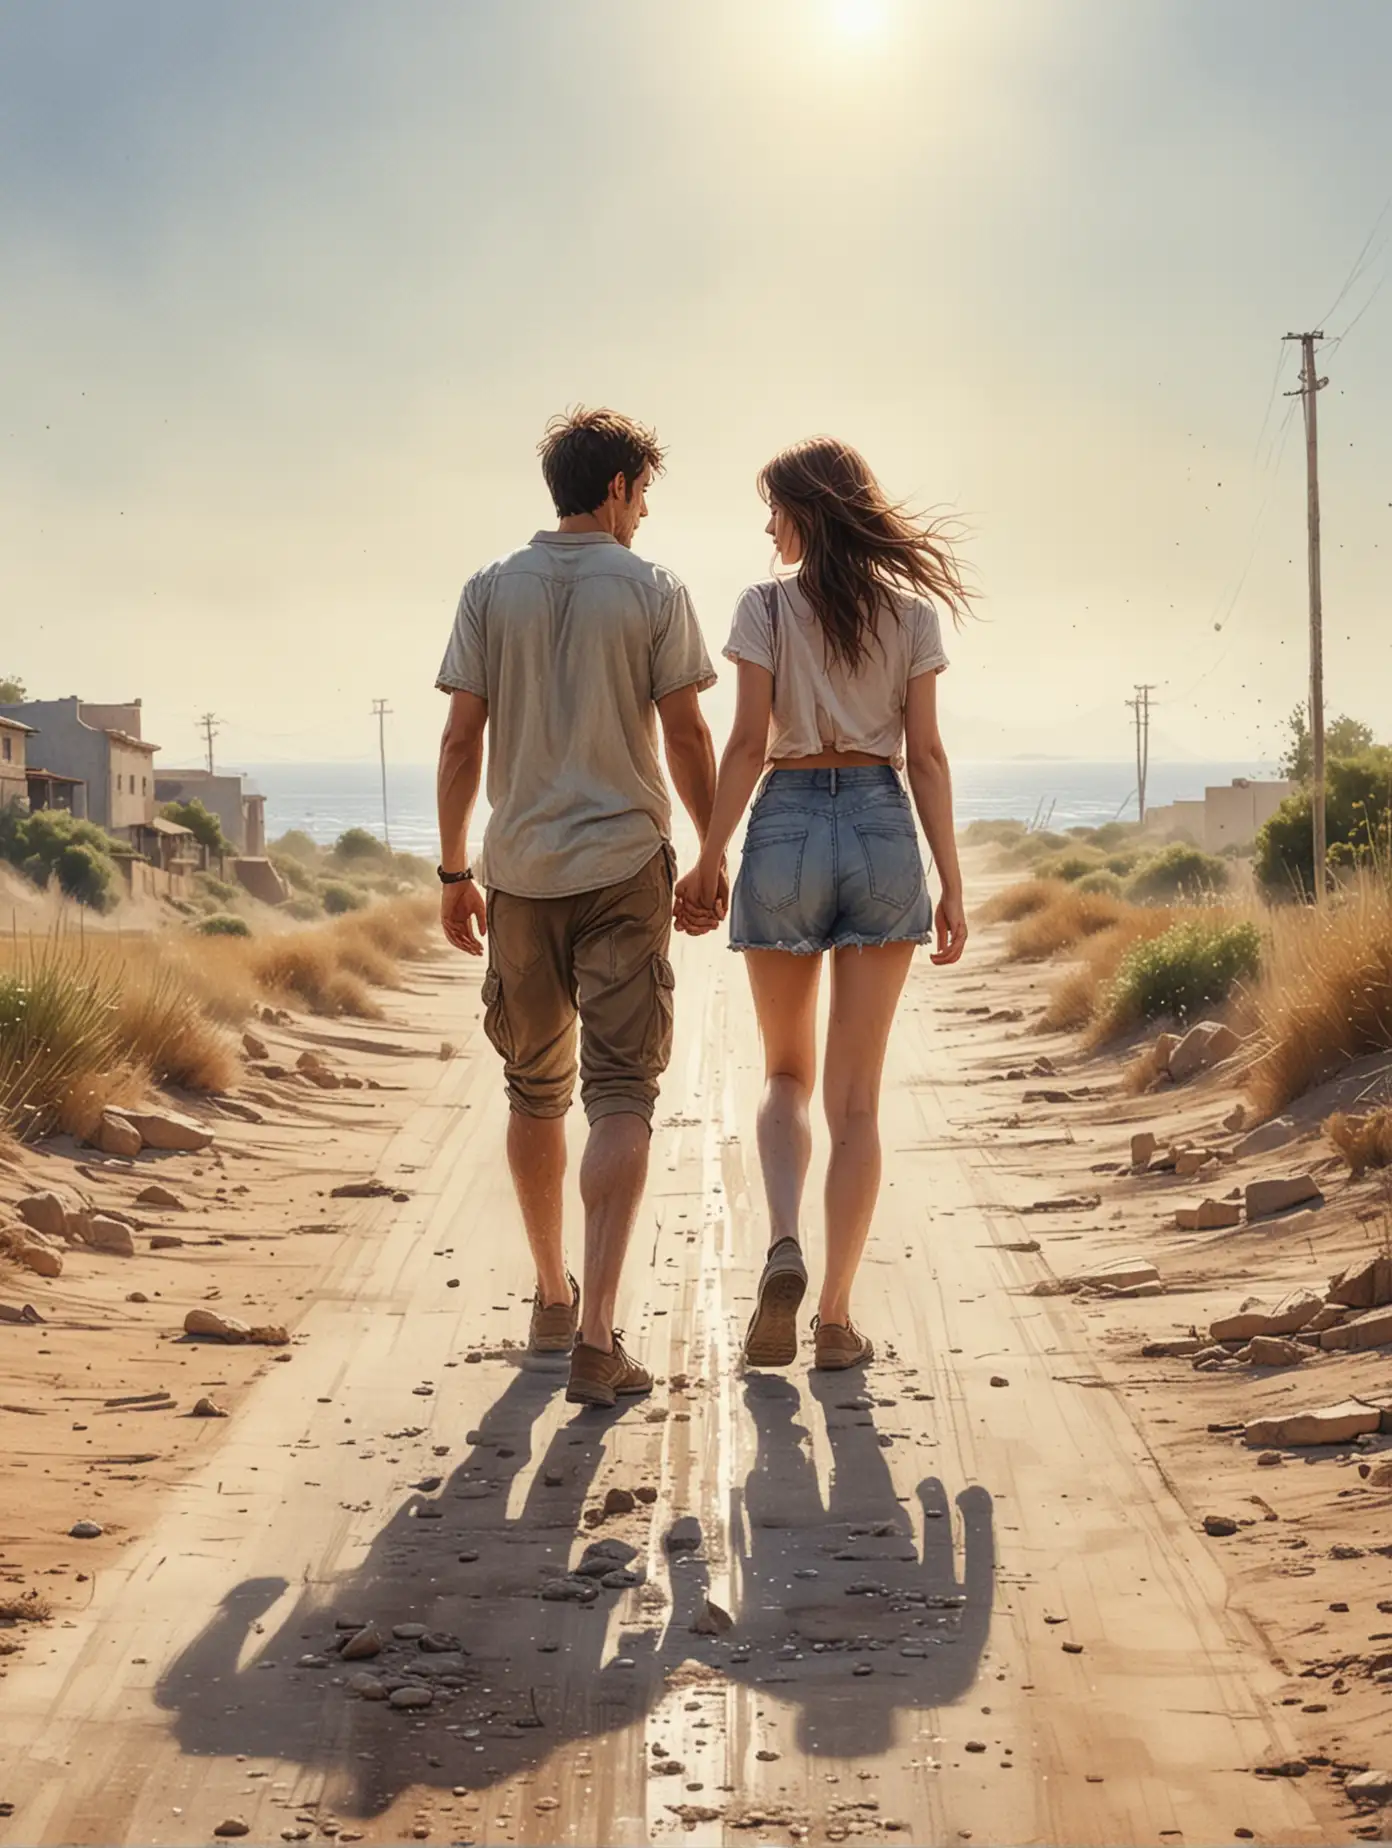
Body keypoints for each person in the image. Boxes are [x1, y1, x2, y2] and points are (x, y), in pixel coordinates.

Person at [436, 407, 724, 1408]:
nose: (644, 512)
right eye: (642, 493)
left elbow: (460, 745)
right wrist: (711, 851)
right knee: (621, 1094)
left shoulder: (487, 589)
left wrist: (450, 871)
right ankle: (599, 1335)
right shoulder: (653, 589)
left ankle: (552, 1294)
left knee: (532, 1088)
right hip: (621, 868)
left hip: (516, 871)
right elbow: (688, 737)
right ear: (615, 489)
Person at [675, 436, 970, 1373]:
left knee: (785, 1078)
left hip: (789, 825)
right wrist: (952, 878)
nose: (767, 528)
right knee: (856, 1105)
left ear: (806, 512)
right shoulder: (914, 618)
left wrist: (709, 855)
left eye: (774, 509)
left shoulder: (764, 609)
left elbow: (748, 742)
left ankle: (783, 1245)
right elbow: (925, 755)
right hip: (884, 826)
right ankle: (836, 1319)